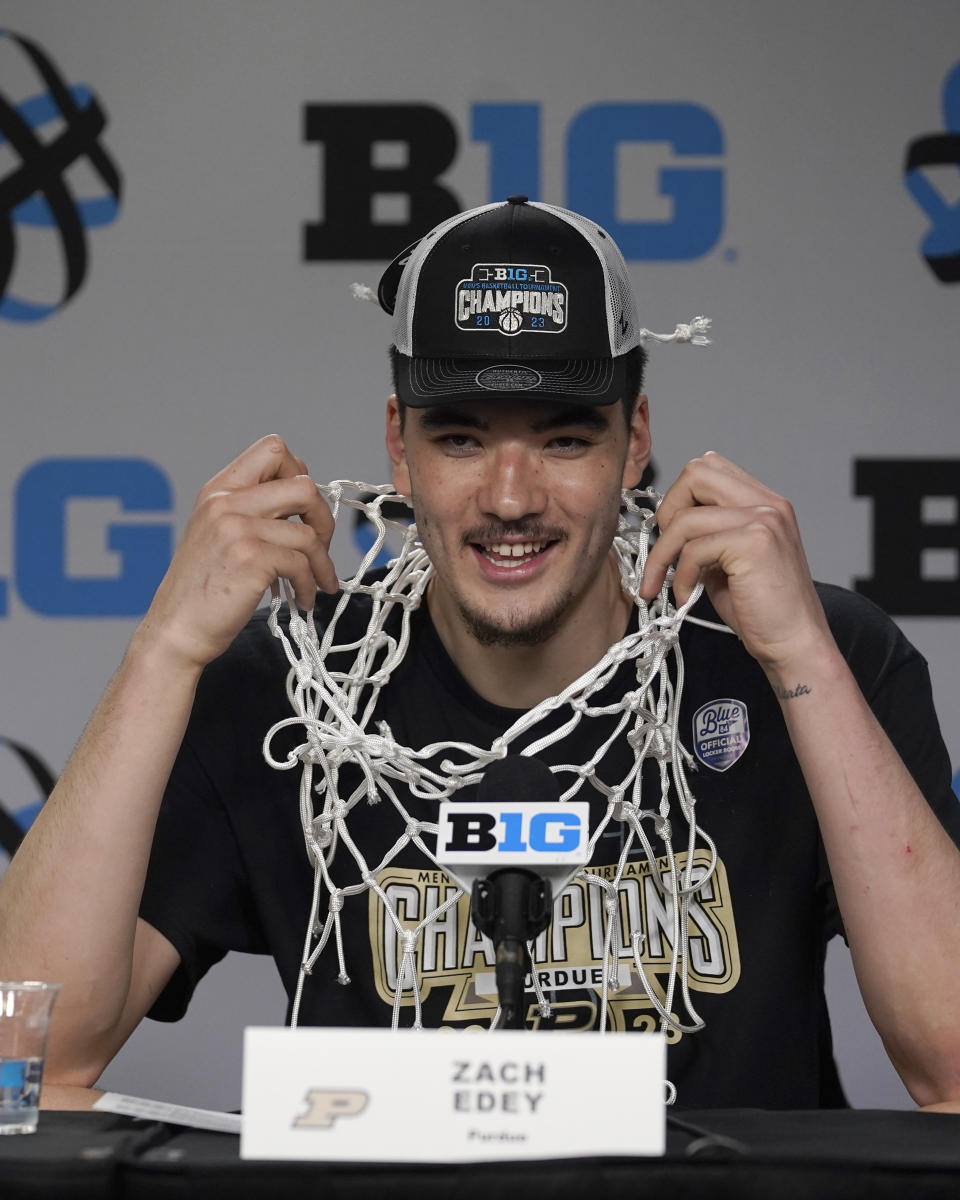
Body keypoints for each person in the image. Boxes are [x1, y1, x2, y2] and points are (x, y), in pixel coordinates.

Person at [1, 197, 959, 1112]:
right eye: (460, 436)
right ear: (399, 448)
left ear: (636, 444)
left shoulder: (812, 661)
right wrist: (163, 652)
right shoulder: (289, 693)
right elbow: (21, 1064)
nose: (510, 496)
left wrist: (802, 656)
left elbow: (954, 1070)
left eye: (564, 437)